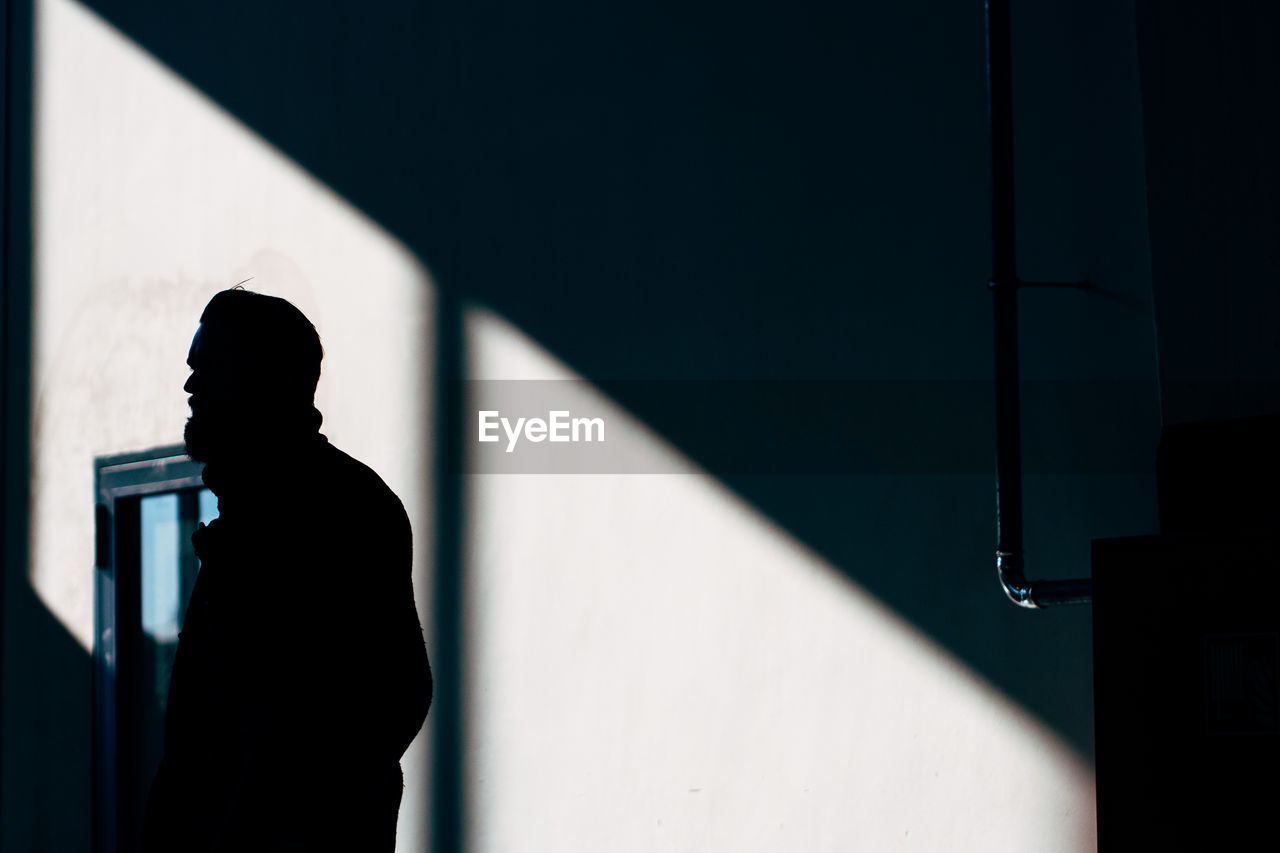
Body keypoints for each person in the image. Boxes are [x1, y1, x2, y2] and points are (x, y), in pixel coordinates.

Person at [143, 288, 432, 852]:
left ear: (261, 379)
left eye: (208, 368)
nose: (190, 386)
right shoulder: (258, 513)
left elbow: (387, 701)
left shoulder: (338, 511)